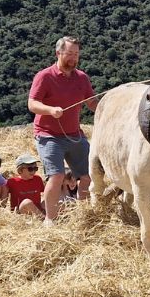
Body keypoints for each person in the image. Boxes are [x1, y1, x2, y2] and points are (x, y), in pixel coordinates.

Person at [28, 36, 98, 227]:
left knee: (87, 176)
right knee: (57, 176)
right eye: (69, 54)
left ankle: (82, 216)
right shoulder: (44, 76)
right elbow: (32, 104)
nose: (73, 58)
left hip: (74, 134)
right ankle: (50, 220)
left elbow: (91, 103)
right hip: (48, 134)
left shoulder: (82, 78)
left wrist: (109, 105)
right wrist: (50, 110)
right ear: (58, 53)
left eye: (76, 54)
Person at [6, 154, 45, 218]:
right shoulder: (12, 181)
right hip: (21, 212)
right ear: (20, 170)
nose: (33, 171)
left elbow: (44, 193)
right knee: (27, 202)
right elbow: (4, 195)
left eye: (35, 168)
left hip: (37, 209)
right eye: (30, 169)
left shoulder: (38, 179)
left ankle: (48, 215)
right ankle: (43, 218)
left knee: (49, 199)